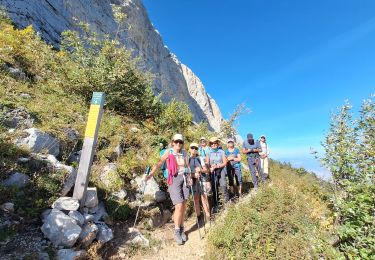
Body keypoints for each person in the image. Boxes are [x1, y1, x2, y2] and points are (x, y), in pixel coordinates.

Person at [145, 134, 190, 245]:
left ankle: (182, 227)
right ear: (173, 142)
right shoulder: (169, 152)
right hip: (173, 180)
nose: (178, 144)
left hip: (184, 179)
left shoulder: (184, 152)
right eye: (176, 141)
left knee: (183, 206)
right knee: (178, 206)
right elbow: (159, 163)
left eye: (180, 142)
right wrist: (150, 174)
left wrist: (190, 178)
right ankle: (176, 231)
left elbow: (187, 166)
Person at [188, 142, 211, 225]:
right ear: (189, 149)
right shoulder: (187, 159)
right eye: (192, 148)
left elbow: (206, 170)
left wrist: (200, 170)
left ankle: (208, 216)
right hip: (193, 181)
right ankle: (199, 217)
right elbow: (186, 172)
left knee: (204, 197)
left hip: (201, 179)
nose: (194, 149)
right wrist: (193, 174)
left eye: (196, 148)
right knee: (196, 199)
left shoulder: (200, 158)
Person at [207, 137, 229, 213]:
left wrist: (218, 166)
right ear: (210, 144)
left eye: (215, 143)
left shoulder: (221, 151)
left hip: (221, 169)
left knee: (223, 184)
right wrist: (210, 168)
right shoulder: (209, 152)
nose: (214, 144)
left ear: (217, 143)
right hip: (213, 171)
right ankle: (216, 204)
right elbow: (207, 163)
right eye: (212, 143)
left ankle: (226, 203)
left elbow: (225, 162)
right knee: (214, 186)